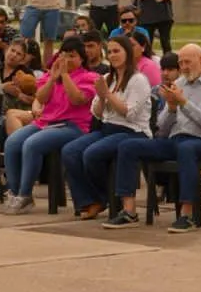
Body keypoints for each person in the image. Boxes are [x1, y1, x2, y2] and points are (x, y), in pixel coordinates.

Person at [107, 43, 201, 232]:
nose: (184, 67)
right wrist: (171, 108)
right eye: (181, 63)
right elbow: (161, 130)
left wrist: (183, 103)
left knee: (186, 148)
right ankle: (129, 211)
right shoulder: (178, 84)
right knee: (128, 146)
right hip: (174, 140)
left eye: (188, 62)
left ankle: (187, 215)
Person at [1, 36, 97, 214]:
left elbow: (77, 100)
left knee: (32, 144)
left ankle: (25, 195)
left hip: (73, 126)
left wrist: (66, 75)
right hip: (46, 122)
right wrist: (53, 78)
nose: (67, 59)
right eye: (64, 55)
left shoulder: (89, 77)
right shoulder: (50, 75)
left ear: (81, 59)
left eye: (72, 56)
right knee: (13, 142)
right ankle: (14, 192)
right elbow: (41, 98)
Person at [63, 37, 152, 220]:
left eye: (117, 51)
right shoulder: (106, 79)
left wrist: (107, 94)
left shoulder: (139, 80)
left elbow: (130, 113)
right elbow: (96, 113)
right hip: (107, 128)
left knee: (92, 153)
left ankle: (108, 197)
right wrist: (102, 98)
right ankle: (90, 200)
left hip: (133, 131)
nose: (112, 55)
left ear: (127, 53)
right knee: (70, 151)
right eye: (110, 52)